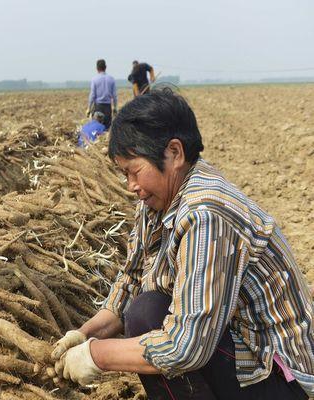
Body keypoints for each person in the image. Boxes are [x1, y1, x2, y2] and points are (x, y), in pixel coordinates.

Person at [51, 88, 314, 399]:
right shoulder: (157, 201)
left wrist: (98, 355)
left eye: (134, 172)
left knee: (147, 316)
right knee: (145, 308)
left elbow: (187, 347)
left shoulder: (206, 212)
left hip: (278, 377)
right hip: (239, 352)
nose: (131, 186)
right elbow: (131, 281)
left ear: (174, 153)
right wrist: (83, 335)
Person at [87, 59, 117, 128]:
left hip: (98, 107)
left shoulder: (94, 79)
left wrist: (89, 108)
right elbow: (114, 96)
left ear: (97, 68)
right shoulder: (111, 79)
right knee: (107, 128)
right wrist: (115, 107)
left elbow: (92, 95)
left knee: (97, 128)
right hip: (108, 107)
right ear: (105, 67)